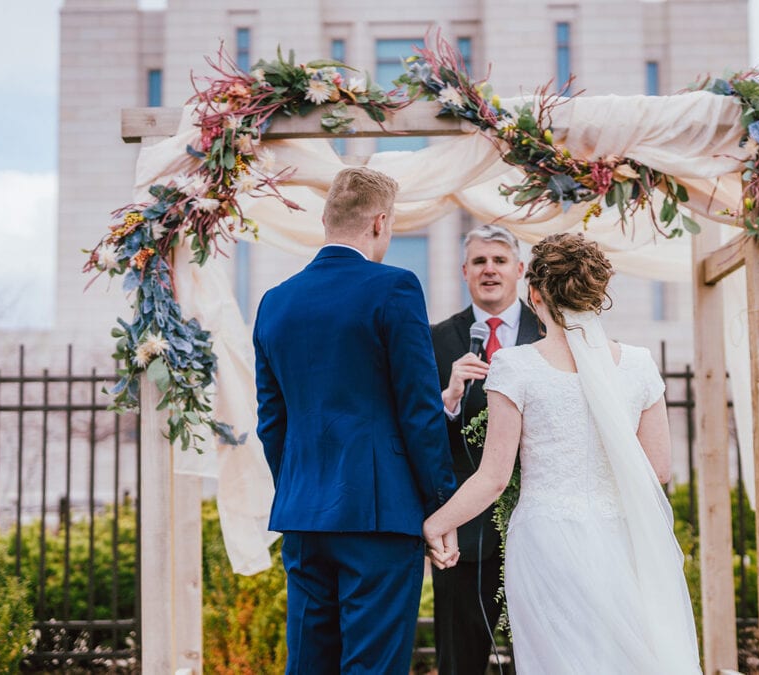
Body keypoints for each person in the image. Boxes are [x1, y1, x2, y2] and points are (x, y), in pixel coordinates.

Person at [423, 233, 702, 674]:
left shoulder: (515, 366)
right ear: (597, 294)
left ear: (534, 293)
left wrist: (437, 522)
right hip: (620, 537)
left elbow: (493, 478)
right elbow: (659, 470)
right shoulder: (638, 363)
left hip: (545, 541)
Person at [253, 167, 459, 674]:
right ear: (380, 223)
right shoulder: (394, 288)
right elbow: (419, 408)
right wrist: (441, 505)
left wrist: (301, 487)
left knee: (310, 665)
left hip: (303, 514)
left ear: (325, 220)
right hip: (380, 516)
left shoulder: (274, 301)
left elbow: (271, 420)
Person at [429, 224, 541, 675]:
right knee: (459, 659)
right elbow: (417, 434)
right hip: (463, 529)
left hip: (537, 524)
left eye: (498, 260)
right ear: (464, 272)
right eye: (479, 261)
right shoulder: (436, 339)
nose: (489, 269)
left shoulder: (551, 333)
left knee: (538, 655)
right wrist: (449, 399)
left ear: (519, 269)